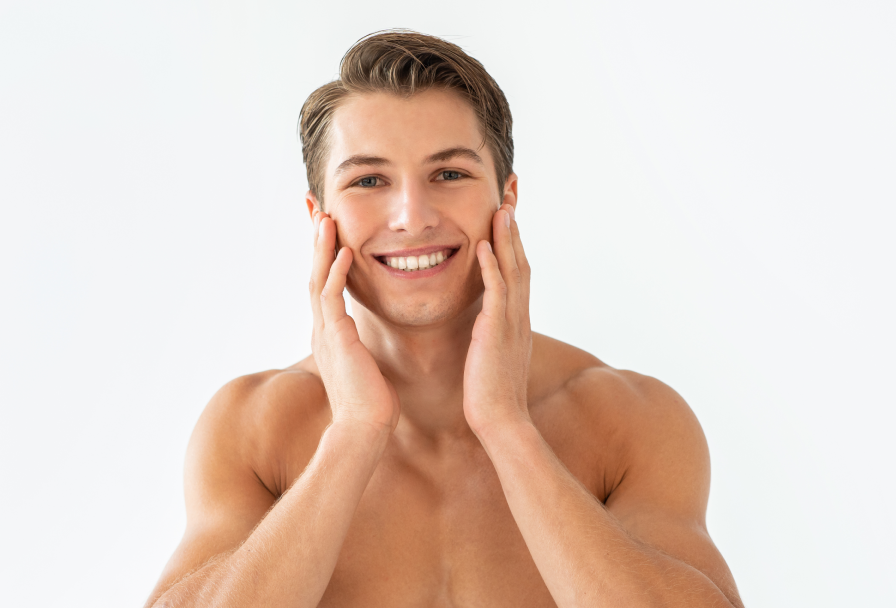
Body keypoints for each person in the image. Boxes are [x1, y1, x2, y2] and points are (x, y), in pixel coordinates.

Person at [144, 30, 742, 608]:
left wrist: (508, 428)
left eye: (449, 174)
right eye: (368, 180)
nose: (411, 215)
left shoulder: (628, 421)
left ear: (505, 201)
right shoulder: (255, 428)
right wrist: (354, 432)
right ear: (318, 216)